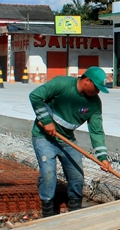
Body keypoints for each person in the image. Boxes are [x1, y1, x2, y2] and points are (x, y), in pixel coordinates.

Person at [29, 66, 111, 217]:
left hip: (67, 140)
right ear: (87, 81)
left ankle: (75, 210)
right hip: (44, 138)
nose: (98, 92)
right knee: (48, 173)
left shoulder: (94, 104)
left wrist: (102, 157)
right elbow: (35, 96)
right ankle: (48, 211)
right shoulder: (61, 84)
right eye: (96, 88)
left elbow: (96, 131)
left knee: (77, 175)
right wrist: (47, 121)